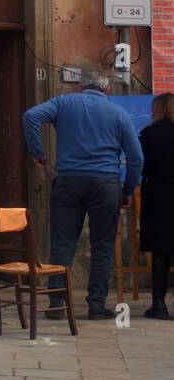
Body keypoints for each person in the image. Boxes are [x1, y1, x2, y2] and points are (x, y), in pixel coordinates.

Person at [22, 71, 143, 320]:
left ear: (80, 87)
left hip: (68, 181)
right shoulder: (119, 114)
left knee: (63, 244)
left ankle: (57, 303)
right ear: (107, 91)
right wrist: (128, 189)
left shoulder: (64, 103)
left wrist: (38, 152)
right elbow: (136, 158)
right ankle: (96, 306)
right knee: (103, 247)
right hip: (106, 184)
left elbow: (30, 116)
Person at [139, 93, 174, 320]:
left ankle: (159, 304)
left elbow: (141, 164)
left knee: (161, 251)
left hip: (159, 195)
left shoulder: (149, 135)